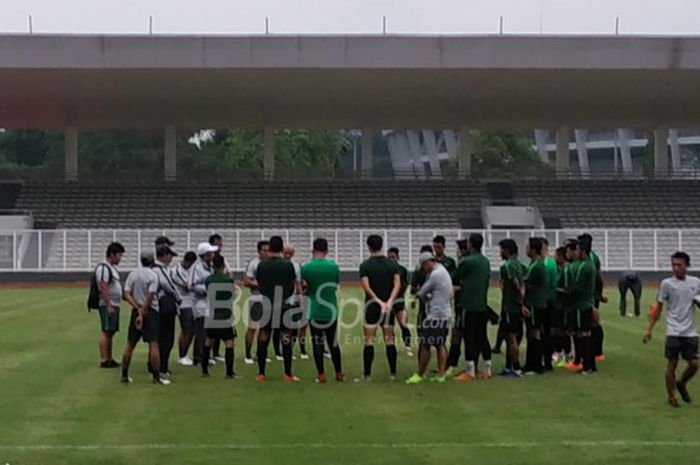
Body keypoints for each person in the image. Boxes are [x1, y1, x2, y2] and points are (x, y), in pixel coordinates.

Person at [644, 252, 700, 407]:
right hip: (673, 331)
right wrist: (649, 329)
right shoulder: (666, 284)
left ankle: (681, 383)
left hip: (690, 331)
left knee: (694, 364)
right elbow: (658, 308)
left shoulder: (696, 282)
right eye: (673, 265)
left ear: (687, 266)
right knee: (671, 364)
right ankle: (671, 396)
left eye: (679, 265)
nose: (676, 268)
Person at [120, 252, 170, 385]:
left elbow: (126, 293)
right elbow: (151, 295)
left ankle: (124, 375)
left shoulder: (133, 274)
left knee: (130, 344)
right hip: (151, 311)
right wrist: (143, 310)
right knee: (154, 344)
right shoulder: (153, 275)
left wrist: (137, 308)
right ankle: (156, 376)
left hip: (136, 311)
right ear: (152, 261)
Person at [255, 236, 300, 382]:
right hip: (283, 305)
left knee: (263, 337)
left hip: (267, 304)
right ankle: (287, 374)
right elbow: (291, 286)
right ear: (281, 248)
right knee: (286, 338)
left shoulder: (262, 265)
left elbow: (260, 285)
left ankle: (261, 373)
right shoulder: (288, 265)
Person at [358, 235, 401, 382]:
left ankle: (367, 375)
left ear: (368, 246)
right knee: (390, 340)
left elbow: (366, 287)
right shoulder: (392, 264)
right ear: (382, 245)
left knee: (369, 341)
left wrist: (378, 302)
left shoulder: (365, 265)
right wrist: (389, 301)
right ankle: (393, 373)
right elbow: (397, 284)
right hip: (388, 307)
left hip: (372, 307)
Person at [301, 238, 344, 383]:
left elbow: (304, 287)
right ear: (326, 251)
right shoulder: (334, 266)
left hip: (314, 309)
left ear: (313, 250)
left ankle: (321, 374)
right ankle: (338, 373)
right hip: (330, 308)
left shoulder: (306, 267)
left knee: (317, 343)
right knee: (333, 342)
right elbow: (336, 284)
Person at [406, 252, 453, 384]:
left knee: (425, 344)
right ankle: (441, 374)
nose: (424, 269)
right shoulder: (442, 270)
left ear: (427, 262)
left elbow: (422, 292)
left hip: (436, 314)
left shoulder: (435, 274)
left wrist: (416, 299)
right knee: (439, 344)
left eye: (424, 266)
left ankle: (420, 374)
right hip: (443, 312)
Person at [452, 234, 492, 381]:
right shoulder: (485, 261)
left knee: (469, 337)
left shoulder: (466, 261)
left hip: (468, 304)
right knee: (482, 336)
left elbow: (455, 276)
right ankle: (487, 368)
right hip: (482, 304)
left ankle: (470, 371)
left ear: (470, 244)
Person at [201, 254, 237, 379]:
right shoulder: (228, 280)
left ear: (212, 265)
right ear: (223, 265)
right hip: (225, 315)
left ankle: (204, 370)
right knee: (229, 343)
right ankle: (229, 372)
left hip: (212, 315)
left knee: (208, 342)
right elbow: (232, 295)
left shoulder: (208, 279)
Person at [566, 240, 597, 374]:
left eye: (578, 250)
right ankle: (589, 364)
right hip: (585, 303)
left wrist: (564, 291)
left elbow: (576, 286)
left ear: (583, 251)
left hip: (580, 305)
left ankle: (587, 365)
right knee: (584, 334)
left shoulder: (584, 267)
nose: (576, 252)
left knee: (582, 335)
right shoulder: (589, 265)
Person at [498, 238, 525, 378]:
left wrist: (521, 302)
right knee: (511, 337)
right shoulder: (520, 265)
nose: (500, 252)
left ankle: (516, 368)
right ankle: (509, 367)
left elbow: (516, 285)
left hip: (510, 307)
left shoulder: (508, 266)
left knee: (511, 338)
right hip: (515, 307)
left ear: (507, 250)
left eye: (502, 249)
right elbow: (523, 283)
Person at [153, 243, 181, 376]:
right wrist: (178, 298)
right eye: (169, 255)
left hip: (157, 306)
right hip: (164, 306)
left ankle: (157, 365)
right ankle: (162, 366)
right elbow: (168, 286)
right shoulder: (160, 270)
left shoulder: (153, 269)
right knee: (166, 338)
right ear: (164, 256)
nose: (171, 259)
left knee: (158, 338)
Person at [95, 242, 124, 368]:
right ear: (112, 254)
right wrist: (108, 305)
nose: (120, 258)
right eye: (119, 255)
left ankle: (109, 357)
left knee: (111, 331)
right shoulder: (104, 268)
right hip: (108, 303)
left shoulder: (112, 268)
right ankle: (104, 359)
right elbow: (103, 286)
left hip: (114, 303)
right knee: (106, 330)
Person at [578, 233, 607, 362]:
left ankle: (592, 354)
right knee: (593, 323)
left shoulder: (588, 259)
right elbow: (599, 277)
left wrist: (598, 294)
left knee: (590, 324)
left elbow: (598, 277)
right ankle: (596, 352)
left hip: (588, 296)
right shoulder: (594, 257)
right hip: (593, 294)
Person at [522, 237, 549, 375]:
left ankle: (536, 365)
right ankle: (531, 364)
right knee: (532, 333)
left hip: (534, 304)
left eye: (528, 248)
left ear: (533, 250)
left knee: (534, 334)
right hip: (537, 303)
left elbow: (525, 284)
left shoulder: (536, 266)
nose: (526, 250)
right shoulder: (536, 264)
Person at [190, 242, 219, 366]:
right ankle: (198, 357)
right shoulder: (197, 267)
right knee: (201, 332)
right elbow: (192, 284)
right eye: (210, 252)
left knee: (208, 331)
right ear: (205, 255)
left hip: (209, 304)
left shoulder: (210, 267)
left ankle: (206, 355)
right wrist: (208, 289)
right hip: (200, 304)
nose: (213, 254)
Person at [243, 240, 270, 365]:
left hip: (268, 299)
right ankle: (248, 354)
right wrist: (259, 284)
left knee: (265, 328)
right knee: (253, 326)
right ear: (259, 251)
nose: (267, 252)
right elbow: (246, 281)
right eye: (264, 250)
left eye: (268, 250)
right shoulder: (254, 264)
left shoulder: (270, 263)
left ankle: (261, 353)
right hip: (256, 298)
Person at [446, 239, 468, 375]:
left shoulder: (464, 264)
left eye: (458, 249)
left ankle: (452, 365)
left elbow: (461, 284)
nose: (457, 252)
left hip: (463, 306)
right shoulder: (463, 263)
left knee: (457, 335)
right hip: (462, 305)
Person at [387, 247, 413, 357]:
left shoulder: (402, 269)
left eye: (393, 257)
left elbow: (406, 284)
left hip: (399, 301)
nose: (391, 259)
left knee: (403, 324)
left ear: (398, 257)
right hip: (388, 302)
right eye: (389, 257)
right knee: (389, 327)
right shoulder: (386, 269)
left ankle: (408, 346)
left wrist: (397, 292)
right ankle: (392, 348)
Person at [172, 251, 197, 366]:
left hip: (193, 302)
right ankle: (182, 355)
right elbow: (186, 286)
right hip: (183, 303)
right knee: (187, 329)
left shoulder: (192, 269)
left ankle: (186, 354)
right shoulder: (177, 270)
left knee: (192, 330)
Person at [282, 243, 306, 361]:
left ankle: (290, 349)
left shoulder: (296, 266)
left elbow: (298, 283)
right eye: (286, 253)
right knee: (282, 327)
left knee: (295, 326)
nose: (288, 255)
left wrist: (301, 299)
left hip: (293, 300)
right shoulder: (278, 265)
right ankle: (280, 351)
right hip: (281, 300)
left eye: (290, 253)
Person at [208, 234, 230, 363]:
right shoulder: (210, 260)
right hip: (212, 297)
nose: (219, 247)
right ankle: (207, 354)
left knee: (218, 324)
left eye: (220, 244)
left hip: (221, 296)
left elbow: (229, 272)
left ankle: (215, 353)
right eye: (217, 244)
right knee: (211, 327)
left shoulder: (221, 258)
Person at [541, 238, 559, 371]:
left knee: (544, 332)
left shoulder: (546, 264)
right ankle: (549, 357)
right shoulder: (552, 263)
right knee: (548, 331)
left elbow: (544, 285)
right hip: (552, 299)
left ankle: (547, 359)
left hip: (546, 301)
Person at [411, 245, 435, 337]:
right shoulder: (438, 269)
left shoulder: (419, 270)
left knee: (422, 332)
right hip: (435, 305)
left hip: (426, 305)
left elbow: (413, 289)